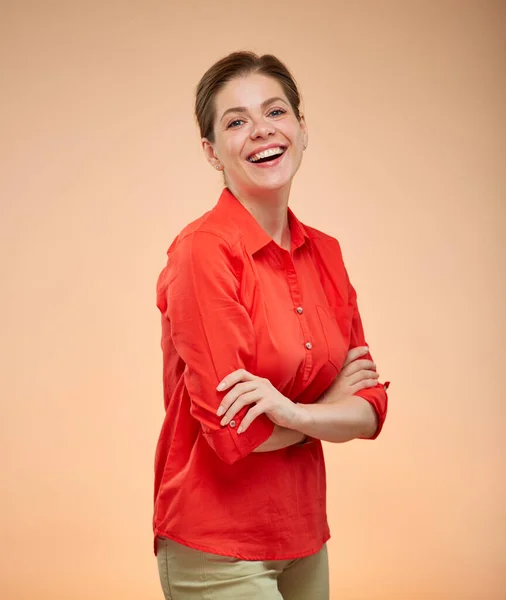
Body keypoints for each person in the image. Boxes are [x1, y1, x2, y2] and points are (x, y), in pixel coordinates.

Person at [153, 51, 389, 600]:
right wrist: (327, 409)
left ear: (302, 129)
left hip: (305, 536)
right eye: (236, 121)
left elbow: (371, 407)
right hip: (217, 543)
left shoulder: (326, 253)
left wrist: (288, 411)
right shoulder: (203, 252)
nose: (261, 130)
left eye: (275, 112)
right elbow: (234, 433)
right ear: (212, 152)